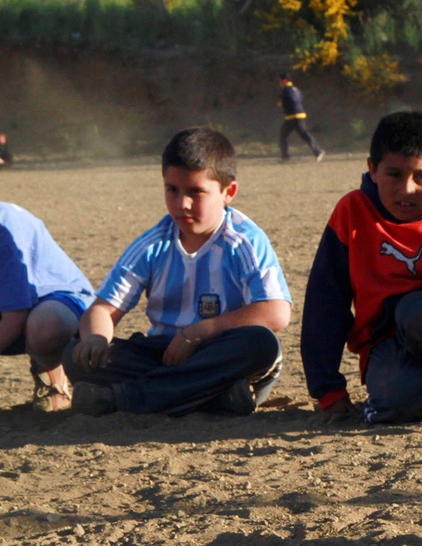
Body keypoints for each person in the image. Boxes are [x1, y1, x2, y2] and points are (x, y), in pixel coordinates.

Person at [63, 127, 292, 416]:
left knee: (260, 344)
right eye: (172, 190)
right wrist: (95, 338)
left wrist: (199, 332)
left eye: (196, 192)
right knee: (76, 352)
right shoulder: (152, 244)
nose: (182, 203)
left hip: (219, 353)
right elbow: (103, 309)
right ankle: (214, 399)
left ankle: (128, 398)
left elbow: (276, 311)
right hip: (164, 355)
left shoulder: (244, 241)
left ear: (228, 192)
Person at [301, 111, 422, 423]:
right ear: (372, 170)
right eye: (394, 174)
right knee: (393, 403)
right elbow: (326, 301)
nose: (407, 189)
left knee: (417, 310)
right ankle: (419, 381)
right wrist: (327, 388)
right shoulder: (352, 213)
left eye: (421, 176)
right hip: (386, 343)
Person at [0, 202, 96, 411]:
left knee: (46, 327)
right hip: (10, 307)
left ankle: (51, 376)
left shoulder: (5, 224)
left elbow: (14, 315)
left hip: (55, 300)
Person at [278, 73, 325, 163]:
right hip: (299, 115)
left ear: (285, 80)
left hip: (292, 116)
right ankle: (317, 151)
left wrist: (283, 105)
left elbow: (290, 101)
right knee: (302, 134)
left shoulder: (286, 90)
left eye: (280, 81)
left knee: (285, 135)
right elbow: (300, 98)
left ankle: (285, 156)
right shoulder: (296, 89)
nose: (280, 83)